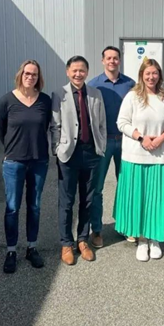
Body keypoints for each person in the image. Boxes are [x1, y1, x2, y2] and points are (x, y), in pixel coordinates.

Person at [114, 59, 164, 262]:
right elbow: (122, 122)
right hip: (134, 155)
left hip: (159, 156)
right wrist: (141, 137)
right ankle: (141, 239)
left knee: (156, 199)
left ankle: (154, 238)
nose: (151, 77)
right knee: (138, 199)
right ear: (141, 75)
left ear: (160, 75)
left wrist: (162, 137)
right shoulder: (133, 96)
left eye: (155, 73)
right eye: (147, 73)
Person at [0, 59, 52, 274]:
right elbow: (1, 130)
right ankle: (11, 251)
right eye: (27, 73)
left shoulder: (44, 101)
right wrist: (12, 149)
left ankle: (31, 247)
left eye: (34, 74)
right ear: (20, 75)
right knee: (12, 207)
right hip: (14, 162)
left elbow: (47, 126)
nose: (30, 77)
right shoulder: (7, 100)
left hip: (39, 161)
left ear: (39, 77)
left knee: (34, 206)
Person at [51, 56, 107, 266]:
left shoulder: (95, 93)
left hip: (91, 153)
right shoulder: (59, 94)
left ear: (87, 72)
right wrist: (57, 149)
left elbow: (102, 123)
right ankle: (66, 243)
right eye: (74, 70)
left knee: (88, 199)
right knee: (67, 201)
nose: (78, 74)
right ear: (68, 72)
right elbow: (55, 125)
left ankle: (82, 240)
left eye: (82, 70)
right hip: (69, 154)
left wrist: (100, 146)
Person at [87, 46, 136, 248]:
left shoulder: (130, 84)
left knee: (126, 185)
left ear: (120, 60)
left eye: (115, 58)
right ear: (103, 60)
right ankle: (97, 230)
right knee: (97, 188)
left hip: (126, 141)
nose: (112, 61)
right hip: (103, 141)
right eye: (108, 58)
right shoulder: (94, 85)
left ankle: (125, 226)